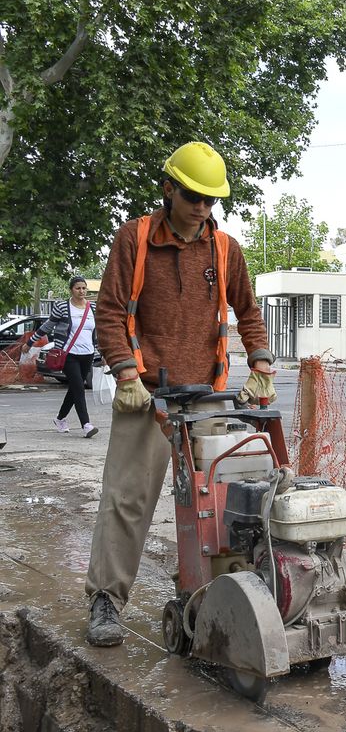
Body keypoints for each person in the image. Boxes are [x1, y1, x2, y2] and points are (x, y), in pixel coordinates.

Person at [83, 141, 275, 647]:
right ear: (169, 189)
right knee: (126, 499)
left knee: (221, 503)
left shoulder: (225, 249)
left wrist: (260, 361)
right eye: (193, 196)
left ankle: (214, 596)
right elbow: (108, 312)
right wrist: (124, 371)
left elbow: (249, 311)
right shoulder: (136, 238)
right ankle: (106, 598)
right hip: (147, 395)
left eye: (211, 200)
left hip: (206, 397)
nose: (202, 208)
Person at [23, 276, 100, 437]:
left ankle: (60, 419)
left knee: (74, 388)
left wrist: (104, 351)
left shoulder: (92, 307)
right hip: (67, 354)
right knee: (79, 387)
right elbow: (47, 326)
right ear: (71, 290)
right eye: (78, 288)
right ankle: (86, 425)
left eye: (84, 288)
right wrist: (30, 342)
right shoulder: (62, 307)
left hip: (87, 353)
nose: (82, 291)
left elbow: (98, 331)